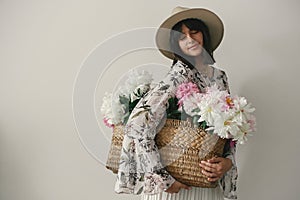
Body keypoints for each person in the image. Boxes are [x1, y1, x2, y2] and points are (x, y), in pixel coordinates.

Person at [114, 6, 238, 200]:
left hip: (207, 183)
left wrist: (227, 162)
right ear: (175, 44)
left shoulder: (220, 77)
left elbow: (229, 131)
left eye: (194, 31)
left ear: (203, 34)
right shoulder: (178, 75)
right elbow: (137, 125)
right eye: (181, 37)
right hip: (177, 187)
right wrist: (163, 179)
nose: (189, 39)